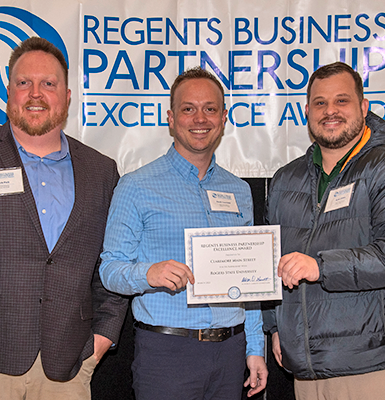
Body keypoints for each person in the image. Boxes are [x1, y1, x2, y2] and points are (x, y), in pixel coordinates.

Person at [0, 37, 126, 400]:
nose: (36, 93)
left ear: (67, 96)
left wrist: (104, 337)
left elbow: (113, 261)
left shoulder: (102, 172)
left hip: (67, 368)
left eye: (48, 84)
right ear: (8, 92)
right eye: (24, 83)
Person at [263, 62, 385, 400]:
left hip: (381, 364)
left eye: (342, 101)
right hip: (311, 368)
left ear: (364, 107)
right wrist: (275, 326)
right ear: (306, 110)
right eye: (319, 102)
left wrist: (321, 266)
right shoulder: (286, 180)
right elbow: (272, 260)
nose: (330, 111)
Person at [99, 67, 268, 399]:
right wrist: (150, 273)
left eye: (210, 109)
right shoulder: (136, 186)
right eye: (188, 109)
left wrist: (255, 346)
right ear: (171, 119)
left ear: (223, 118)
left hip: (230, 353)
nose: (199, 118)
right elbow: (110, 269)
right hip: (167, 353)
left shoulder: (239, 190)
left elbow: (250, 282)